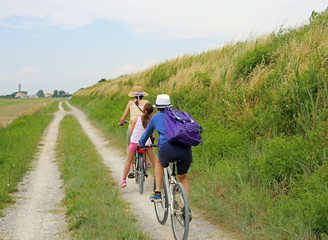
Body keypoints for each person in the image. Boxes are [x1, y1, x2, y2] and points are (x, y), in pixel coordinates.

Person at [138, 94, 192, 218]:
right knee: (183, 177)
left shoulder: (156, 118)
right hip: (185, 150)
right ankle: (187, 208)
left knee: (158, 162)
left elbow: (146, 134)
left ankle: (157, 192)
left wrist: (141, 144)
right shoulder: (178, 115)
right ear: (169, 106)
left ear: (157, 108)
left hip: (167, 150)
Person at [121, 103, 157, 188]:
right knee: (153, 160)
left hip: (134, 143)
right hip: (146, 144)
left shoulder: (136, 119)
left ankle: (123, 181)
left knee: (128, 161)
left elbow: (131, 132)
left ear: (143, 110)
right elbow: (151, 133)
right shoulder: (151, 121)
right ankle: (160, 178)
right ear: (151, 112)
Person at [118, 86, 152, 177]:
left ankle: (131, 167)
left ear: (133, 95)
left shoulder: (130, 103)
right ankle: (146, 163)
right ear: (143, 95)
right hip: (145, 128)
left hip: (133, 128)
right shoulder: (147, 102)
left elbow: (124, 117)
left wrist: (121, 122)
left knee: (129, 146)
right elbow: (150, 115)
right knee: (145, 145)